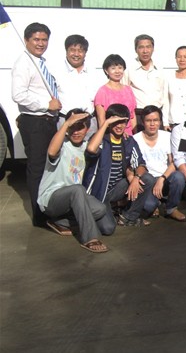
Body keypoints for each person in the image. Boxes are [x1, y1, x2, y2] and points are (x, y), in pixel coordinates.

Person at [37, 109, 113, 252]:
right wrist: (66, 124)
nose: (76, 132)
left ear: (87, 129)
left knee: (100, 209)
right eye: (72, 127)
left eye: (80, 128)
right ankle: (90, 238)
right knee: (77, 190)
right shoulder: (62, 145)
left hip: (74, 199)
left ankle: (60, 222)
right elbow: (52, 152)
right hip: (52, 199)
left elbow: (93, 148)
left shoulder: (85, 146)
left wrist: (106, 123)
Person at [11, 22, 61, 227]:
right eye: (36, 39)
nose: (41, 43)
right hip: (35, 123)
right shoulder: (23, 63)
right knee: (38, 168)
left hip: (48, 121)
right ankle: (40, 216)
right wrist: (46, 104)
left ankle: (48, 207)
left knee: (50, 167)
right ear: (26, 40)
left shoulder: (40, 62)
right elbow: (18, 95)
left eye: (44, 40)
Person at [84, 103, 154, 228]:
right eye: (116, 122)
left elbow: (141, 164)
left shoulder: (128, 141)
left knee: (147, 179)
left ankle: (128, 217)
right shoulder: (101, 139)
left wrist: (136, 178)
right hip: (100, 192)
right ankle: (113, 208)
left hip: (117, 188)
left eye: (123, 122)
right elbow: (91, 149)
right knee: (108, 228)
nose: (120, 126)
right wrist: (105, 123)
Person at [133, 105, 186, 222]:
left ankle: (171, 208)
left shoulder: (167, 136)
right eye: (148, 120)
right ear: (142, 122)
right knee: (148, 207)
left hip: (164, 177)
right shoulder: (135, 139)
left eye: (156, 120)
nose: (152, 124)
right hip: (147, 180)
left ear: (160, 121)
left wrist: (162, 179)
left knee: (179, 176)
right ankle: (156, 203)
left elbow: (173, 162)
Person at [55, 34, 103, 135]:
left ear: (85, 53)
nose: (76, 54)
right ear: (66, 51)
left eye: (80, 51)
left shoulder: (94, 73)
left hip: (90, 123)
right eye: (72, 50)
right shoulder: (56, 72)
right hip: (65, 122)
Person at [122, 34, 169, 131]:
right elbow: (123, 95)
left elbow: (165, 97)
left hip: (157, 115)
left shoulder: (160, 69)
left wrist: (165, 122)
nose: (145, 51)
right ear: (136, 50)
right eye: (141, 47)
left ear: (153, 49)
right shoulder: (129, 69)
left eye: (148, 47)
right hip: (138, 117)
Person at [94, 54, 137, 136]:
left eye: (120, 68)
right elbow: (101, 120)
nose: (117, 71)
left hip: (129, 136)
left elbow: (132, 116)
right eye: (113, 68)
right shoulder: (102, 92)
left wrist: (135, 134)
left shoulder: (128, 90)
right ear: (106, 71)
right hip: (112, 135)